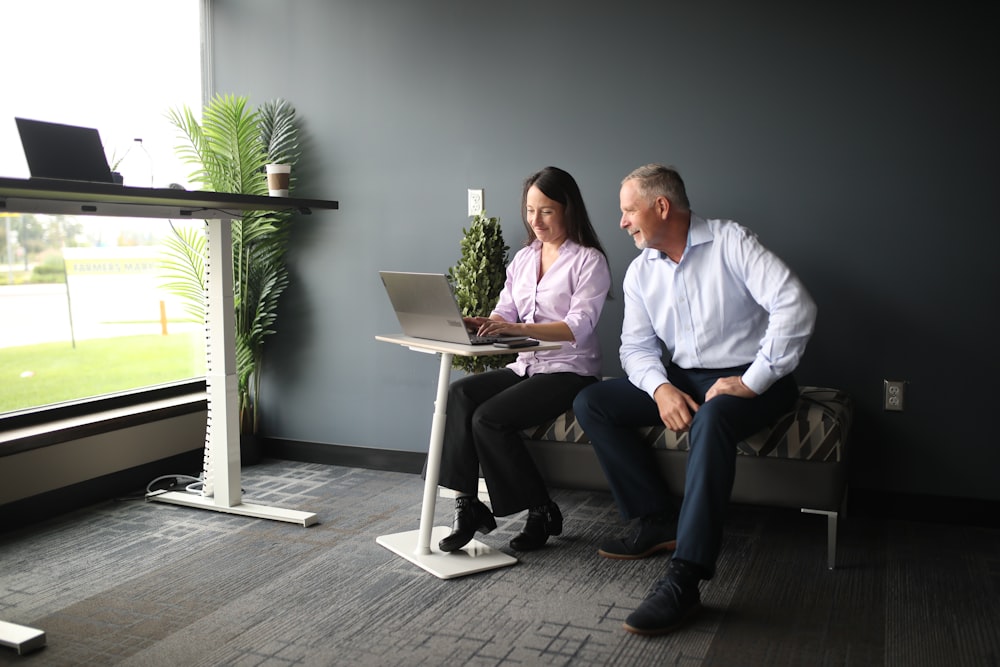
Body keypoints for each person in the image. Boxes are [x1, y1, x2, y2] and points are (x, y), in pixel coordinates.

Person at [573, 164, 816, 635]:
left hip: (755, 379)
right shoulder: (641, 272)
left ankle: (686, 577)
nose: (621, 222)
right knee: (592, 402)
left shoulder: (731, 242)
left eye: (628, 210)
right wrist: (662, 387)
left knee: (715, 418)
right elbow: (635, 348)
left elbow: (796, 305)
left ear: (661, 206)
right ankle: (656, 519)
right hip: (687, 377)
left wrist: (752, 380)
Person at [437, 166, 612, 553]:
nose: (536, 220)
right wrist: (486, 323)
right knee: (459, 394)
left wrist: (516, 331)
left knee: (489, 419)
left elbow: (577, 327)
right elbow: (506, 313)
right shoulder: (523, 259)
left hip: (570, 370)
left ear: (569, 210)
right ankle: (466, 505)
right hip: (527, 366)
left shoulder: (589, 261)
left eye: (546, 211)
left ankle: (540, 510)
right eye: (531, 210)